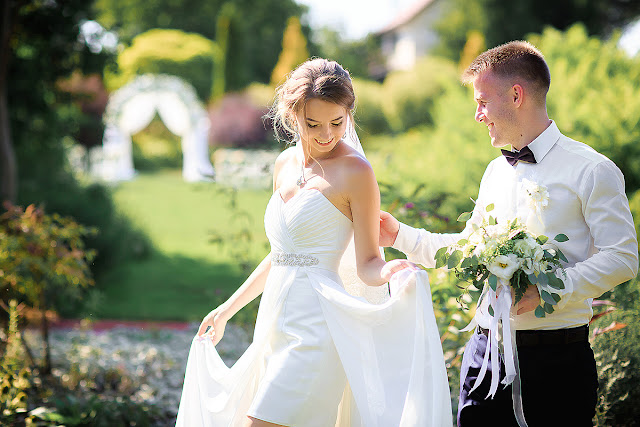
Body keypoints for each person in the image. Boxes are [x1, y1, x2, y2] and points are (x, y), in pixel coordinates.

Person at [176, 58, 452, 427]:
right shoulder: (284, 164)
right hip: (273, 322)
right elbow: (282, 256)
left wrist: (391, 270)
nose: (326, 134)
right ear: (292, 117)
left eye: (337, 122)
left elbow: (368, 262)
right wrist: (228, 308)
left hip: (320, 328)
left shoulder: (357, 173)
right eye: (313, 124)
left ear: (348, 114)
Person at [379, 41, 638, 426]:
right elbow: (468, 247)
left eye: (482, 101)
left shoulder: (592, 170)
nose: (478, 114)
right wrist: (398, 234)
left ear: (516, 95)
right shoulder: (495, 172)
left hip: (558, 362)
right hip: (485, 355)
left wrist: (550, 288)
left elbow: (623, 258)